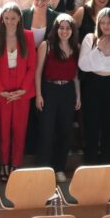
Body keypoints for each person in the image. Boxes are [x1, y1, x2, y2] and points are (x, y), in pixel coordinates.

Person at [0, 3, 35, 180]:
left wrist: (23, 90)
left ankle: (16, 163)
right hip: (3, 94)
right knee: (3, 130)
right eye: (6, 18)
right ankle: (4, 164)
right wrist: (0, 90)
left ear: (19, 19)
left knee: (20, 130)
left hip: (23, 93)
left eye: (13, 18)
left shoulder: (28, 37)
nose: (9, 21)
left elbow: (32, 66)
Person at [78, 8, 110, 166]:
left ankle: (107, 168)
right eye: (103, 22)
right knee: (92, 129)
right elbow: (83, 65)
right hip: (92, 86)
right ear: (98, 23)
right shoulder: (90, 39)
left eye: (109, 23)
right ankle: (90, 167)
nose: (106, 26)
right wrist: (98, 49)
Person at [35, 15, 79, 182]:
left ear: (72, 31)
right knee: (47, 131)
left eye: (68, 28)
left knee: (65, 131)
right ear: (56, 29)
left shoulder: (76, 47)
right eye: (61, 27)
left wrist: (78, 95)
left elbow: (75, 76)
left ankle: (59, 167)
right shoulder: (46, 46)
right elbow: (38, 72)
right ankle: (43, 167)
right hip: (49, 89)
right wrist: (38, 94)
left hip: (67, 90)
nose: (65, 31)